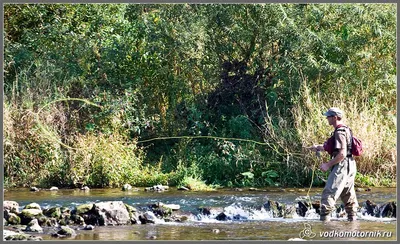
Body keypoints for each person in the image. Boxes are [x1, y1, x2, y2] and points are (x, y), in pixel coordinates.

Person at [309, 107, 358, 221]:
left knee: (329, 194)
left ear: (335, 117)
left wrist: (327, 164)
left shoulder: (339, 132)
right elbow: (336, 148)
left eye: (328, 116)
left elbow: (342, 154)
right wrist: (318, 147)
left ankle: (325, 225)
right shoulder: (345, 129)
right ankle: (353, 224)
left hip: (342, 165)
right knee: (347, 195)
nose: (327, 118)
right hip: (350, 165)